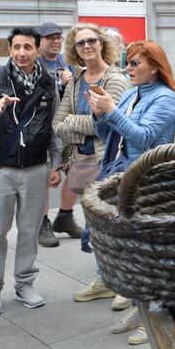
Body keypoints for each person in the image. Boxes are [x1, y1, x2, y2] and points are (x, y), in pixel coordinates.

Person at [76, 40, 175, 346]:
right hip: (120, 172)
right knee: (130, 249)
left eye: (135, 63)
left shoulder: (167, 99)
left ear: (155, 67)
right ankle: (141, 309)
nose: (129, 69)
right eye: (128, 62)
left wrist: (111, 110)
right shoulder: (133, 93)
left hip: (147, 181)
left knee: (148, 252)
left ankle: (157, 314)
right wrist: (100, 114)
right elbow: (108, 133)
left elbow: (145, 138)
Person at [0, 27, 62, 317]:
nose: (22, 53)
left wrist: (56, 161)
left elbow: (54, 125)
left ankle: (25, 283)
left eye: (27, 47)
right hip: (1, 166)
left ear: (37, 49)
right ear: (9, 50)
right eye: (16, 47)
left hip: (36, 166)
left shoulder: (49, 82)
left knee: (28, 230)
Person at [53, 24, 129, 253]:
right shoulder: (76, 81)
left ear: (102, 43)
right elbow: (57, 124)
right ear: (74, 49)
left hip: (106, 160)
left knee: (105, 222)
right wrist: (87, 122)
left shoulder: (115, 79)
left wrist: (73, 122)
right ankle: (102, 272)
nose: (86, 46)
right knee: (92, 222)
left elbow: (107, 124)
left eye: (91, 40)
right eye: (80, 42)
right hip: (82, 160)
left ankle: (109, 274)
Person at [35, 22, 75, 247]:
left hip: (68, 126)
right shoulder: (34, 63)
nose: (56, 42)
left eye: (59, 38)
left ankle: (65, 216)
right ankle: (43, 222)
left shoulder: (65, 62)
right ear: (39, 42)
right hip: (44, 127)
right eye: (50, 38)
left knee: (74, 169)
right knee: (46, 174)